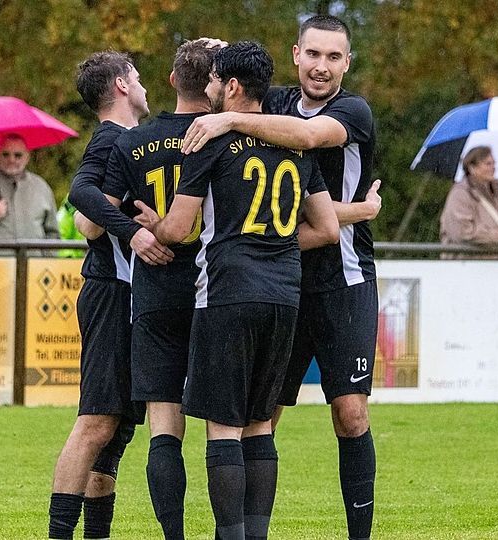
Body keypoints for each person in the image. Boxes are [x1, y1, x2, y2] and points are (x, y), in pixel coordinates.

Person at [181, 16, 381, 539]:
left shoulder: (351, 110)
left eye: (334, 57)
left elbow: (310, 137)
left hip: (343, 278)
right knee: (259, 416)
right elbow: (244, 90)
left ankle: (359, 533)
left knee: (350, 413)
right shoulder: (274, 104)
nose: (322, 66)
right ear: (296, 55)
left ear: (347, 63)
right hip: (280, 280)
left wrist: (228, 121)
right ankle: (247, 530)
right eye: (313, 54)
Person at [135, 41, 339, 540]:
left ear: (230, 86)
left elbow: (181, 227)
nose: (207, 91)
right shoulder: (294, 143)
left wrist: (152, 227)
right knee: (259, 426)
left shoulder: (210, 140)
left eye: (213, 82)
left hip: (227, 292)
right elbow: (329, 229)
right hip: (284, 294)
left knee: (223, 428)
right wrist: (276, 244)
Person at [99, 37, 225, 540]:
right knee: (224, 431)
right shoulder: (222, 138)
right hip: (212, 288)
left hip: (154, 293)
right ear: (215, 85)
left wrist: (137, 226)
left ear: (172, 80)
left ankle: (174, 536)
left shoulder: (132, 143)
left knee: (164, 429)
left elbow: (96, 215)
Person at [48, 50, 160, 540]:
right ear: (120, 86)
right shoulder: (114, 138)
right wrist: (131, 233)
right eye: (136, 77)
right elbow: (82, 202)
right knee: (95, 422)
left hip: (128, 296)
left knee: (114, 432)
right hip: (111, 293)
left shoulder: (130, 141)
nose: (142, 86)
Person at [439, 146, 498, 251]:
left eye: (494, 163)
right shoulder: (460, 195)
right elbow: (461, 233)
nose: (493, 167)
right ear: (471, 168)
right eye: (488, 164)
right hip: (466, 264)